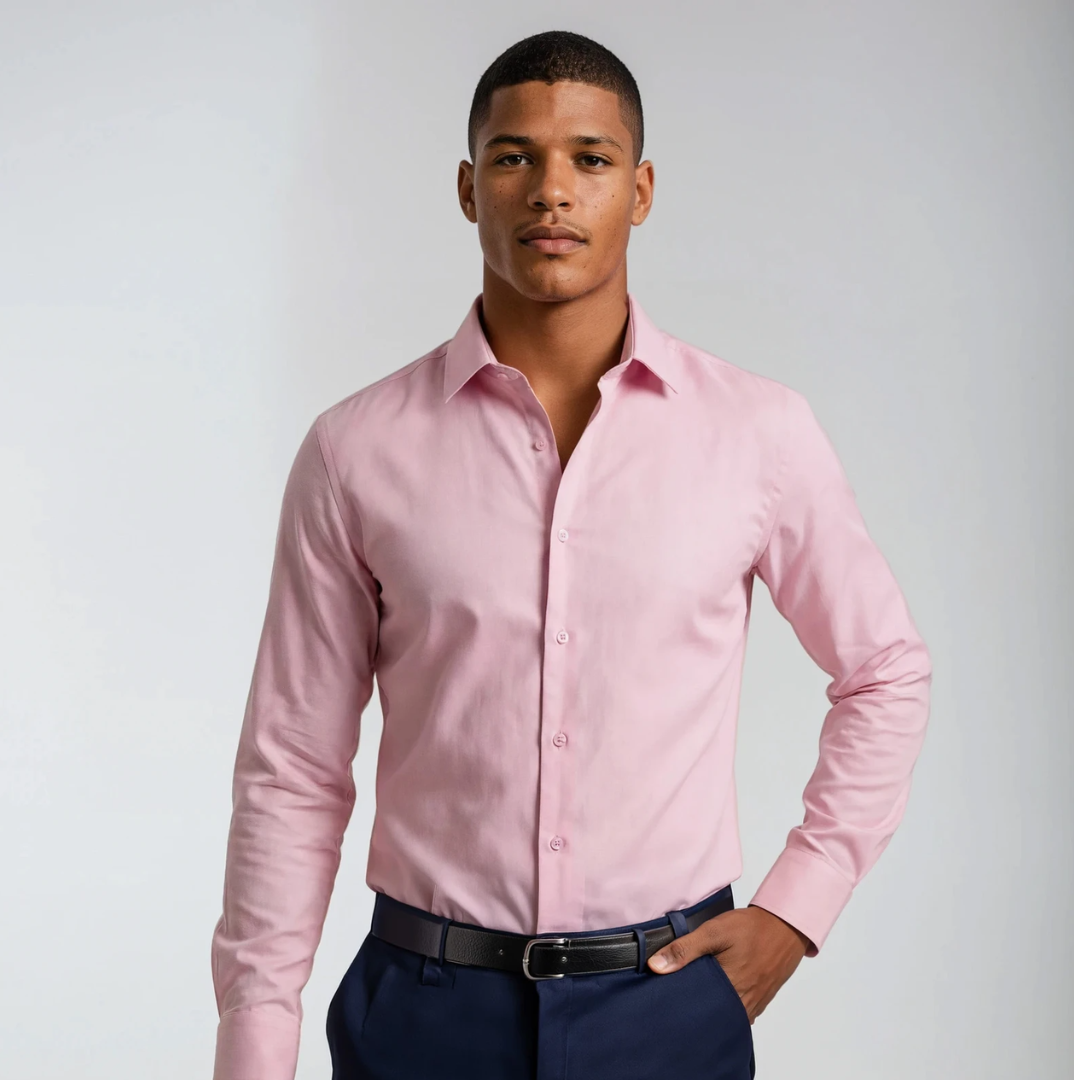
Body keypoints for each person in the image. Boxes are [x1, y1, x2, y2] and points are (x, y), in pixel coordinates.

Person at [209, 28, 932, 1080]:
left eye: (590, 159)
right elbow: (293, 767)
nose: (552, 189)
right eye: (515, 157)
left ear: (640, 191)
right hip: (422, 1014)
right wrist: (253, 1047)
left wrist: (796, 911)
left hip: (667, 1006)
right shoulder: (355, 451)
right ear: (469, 188)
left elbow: (885, 671)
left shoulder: (758, 434)